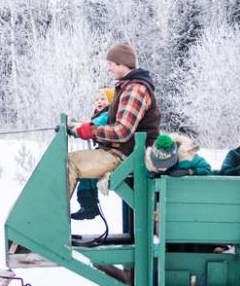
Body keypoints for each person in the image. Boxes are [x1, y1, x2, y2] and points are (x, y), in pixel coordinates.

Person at [67, 41, 160, 216]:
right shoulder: (128, 87)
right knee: (67, 161)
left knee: (68, 163)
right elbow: (110, 123)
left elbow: (122, 131)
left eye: (110, 64)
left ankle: (52, 222)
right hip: (124, 152)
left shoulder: (135, 89)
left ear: (121, 63)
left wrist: (90, 131)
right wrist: (80, 127)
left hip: (126, 155)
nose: (109, 68)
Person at [70, 88, 116, 220]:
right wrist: (77, 125)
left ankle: (88, 205)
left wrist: (74, 128)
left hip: (108, 153)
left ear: (110, 102)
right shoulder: (101, 114)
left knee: (84, 168)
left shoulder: (107, 115)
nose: (99, 102)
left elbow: (92, 126)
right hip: (104, 151)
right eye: (97, 100)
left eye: (103, 99)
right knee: (87, 172)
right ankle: (89, 205)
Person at [146, 132, 212, 177]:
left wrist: (189, 171)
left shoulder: (187, 156)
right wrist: (155, 173)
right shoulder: (150, 158)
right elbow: (148, 169)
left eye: (166, 163)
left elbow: (206, 168)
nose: (163, 168)